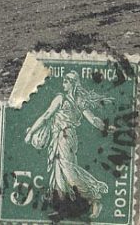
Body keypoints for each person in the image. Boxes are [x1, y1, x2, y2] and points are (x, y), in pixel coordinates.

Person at [24, 71, 113, 218]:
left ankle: (95, 200)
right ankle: (62, 208)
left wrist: (30, 133)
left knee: (69, 172)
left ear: (73, 83)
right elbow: (47, 116)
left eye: (66, 81)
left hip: (65, 138)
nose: (63, 83)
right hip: (59, 138)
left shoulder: (68, 99)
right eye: (63, 80)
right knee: (58, 171)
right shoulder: (69, 99)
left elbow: (47, 116)